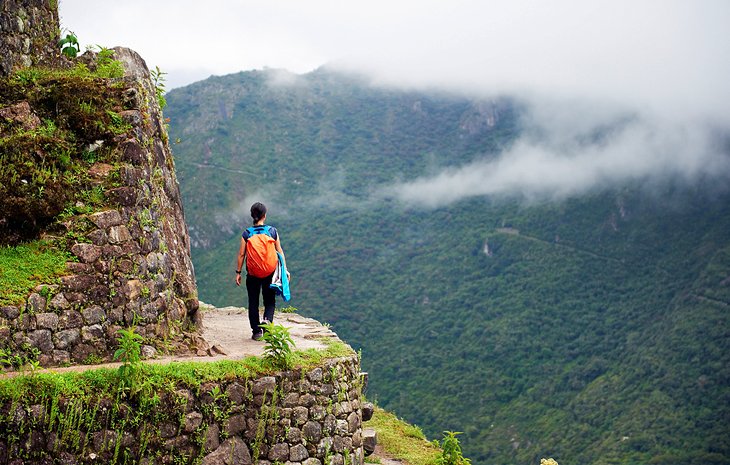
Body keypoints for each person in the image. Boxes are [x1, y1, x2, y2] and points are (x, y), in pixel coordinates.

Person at [235, 202, 290, 340]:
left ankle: (256, 331)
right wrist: (285, 270)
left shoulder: (247, 234)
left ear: (252, 216)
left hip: (252, 274)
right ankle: (267, 324)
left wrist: (238, 272)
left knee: (253, 302)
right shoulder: (272, 232)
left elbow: (241, 254)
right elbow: (279, 251)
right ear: (264, 215)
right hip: (270, 273)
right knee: (269, 301)